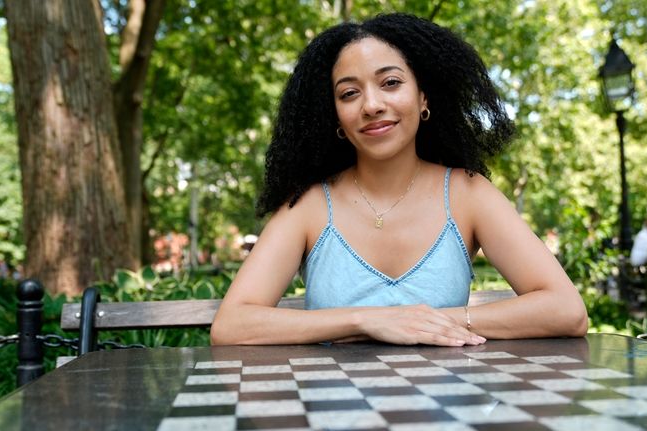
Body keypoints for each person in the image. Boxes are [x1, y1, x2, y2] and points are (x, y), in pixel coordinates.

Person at [211, 13, 587, 346]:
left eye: (390, 83)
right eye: (349, 93)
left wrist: (425, 323)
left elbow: (566, 311)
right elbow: (231, 325)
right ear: (336, 117)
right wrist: (367, 320)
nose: (371, 105)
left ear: (423, 98)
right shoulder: (308, 205)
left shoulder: (467, 194)